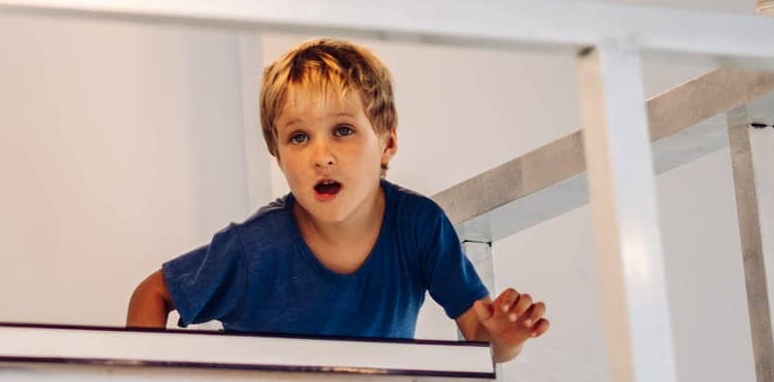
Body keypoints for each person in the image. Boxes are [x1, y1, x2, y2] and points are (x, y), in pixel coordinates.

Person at [125, 38, 549, 364]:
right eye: (298, 137)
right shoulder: (253, 248)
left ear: (388, 143)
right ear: (278, 155)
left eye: (342, 130)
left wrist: (506, 338)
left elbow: (481, 337)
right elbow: (153, 292)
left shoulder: (419, 226)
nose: (320, 156)